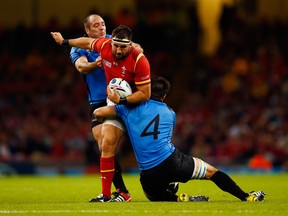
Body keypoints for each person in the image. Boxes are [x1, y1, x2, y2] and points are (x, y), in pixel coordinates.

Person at [93, 76, 266, 202]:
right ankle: (246, 196)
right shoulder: (170, 113)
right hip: (172, 162)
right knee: (213, 173)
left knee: (153, 196)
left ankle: (178, 198)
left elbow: (98, 113)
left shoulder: (128, 108)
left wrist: (117, 101)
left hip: (148, 175)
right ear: (165, 96)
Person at [51, 25, 151, 202]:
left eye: (123, 47)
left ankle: (168, 181)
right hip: (113, 102)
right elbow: (86, 43)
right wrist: (64, 41)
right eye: (116, 45)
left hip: (136, 103)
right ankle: (111, 194)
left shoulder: (139, 59)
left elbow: (145, 94)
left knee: (150, 150)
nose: (118, 50)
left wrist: (123, 100)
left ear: (130, 45)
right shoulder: (104, 45)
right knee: (106, 144)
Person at [69, 15, 136, 202]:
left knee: (113, 144)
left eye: (103, 24)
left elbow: (137, 49)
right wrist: (95, 64)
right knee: (104, 146)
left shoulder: (112, 42)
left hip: (121, 99)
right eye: (96, 26)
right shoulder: (79, 47)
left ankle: (120, 192)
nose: (101, 28)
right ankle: (122, 191)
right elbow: (81, 68)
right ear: (88, 31)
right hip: (97, 102)